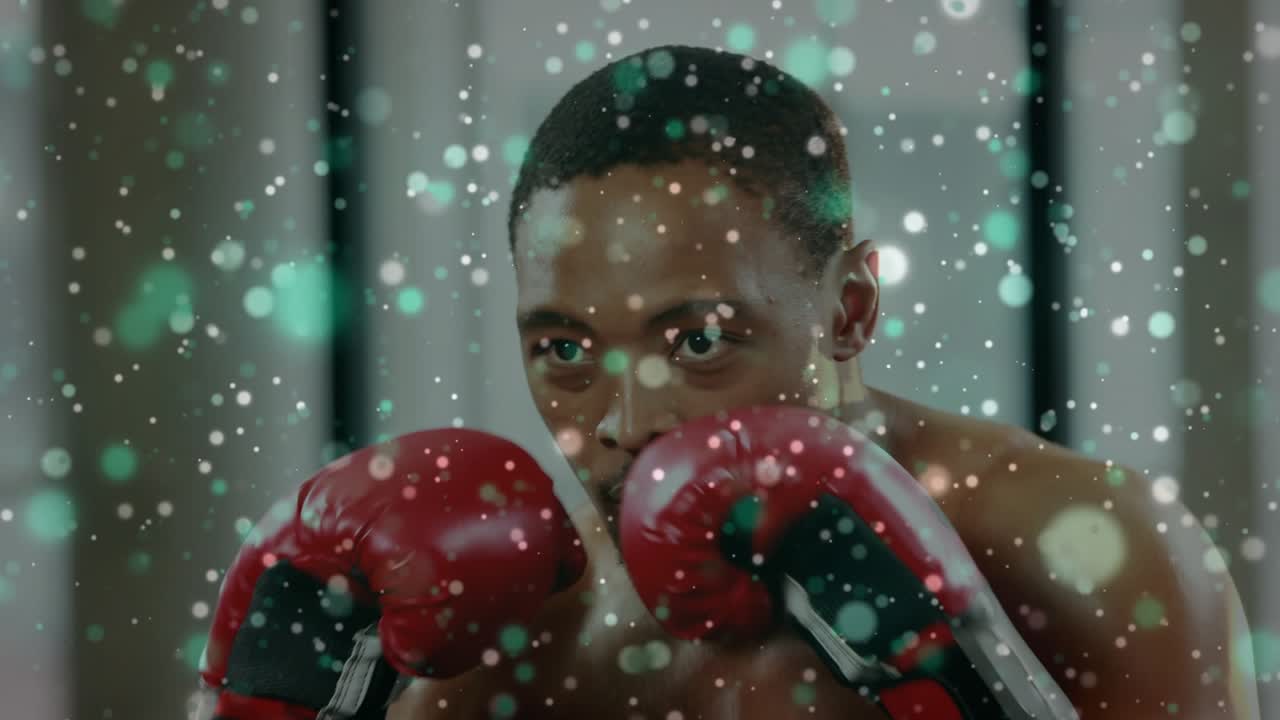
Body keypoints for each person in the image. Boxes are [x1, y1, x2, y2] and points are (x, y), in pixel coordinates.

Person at [201, 45, 1261, 719]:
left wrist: (968, 685)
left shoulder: (1089, 554)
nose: (620, 424)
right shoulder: (495, 638)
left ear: (848, 309)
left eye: (699, 341)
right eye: (564, 350)